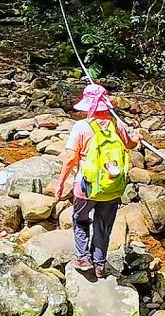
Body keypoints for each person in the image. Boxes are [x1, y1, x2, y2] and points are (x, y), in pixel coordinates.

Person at [54, 83, 140, 278]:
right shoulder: (116, 125)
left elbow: (70, 158)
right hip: (112, 185)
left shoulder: (81, 127)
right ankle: (99, 264)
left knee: (80, 219)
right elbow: (130, 144)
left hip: (86, 187)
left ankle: (83, 258)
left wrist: (60, 183)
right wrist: (137, 137)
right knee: (103, 225)